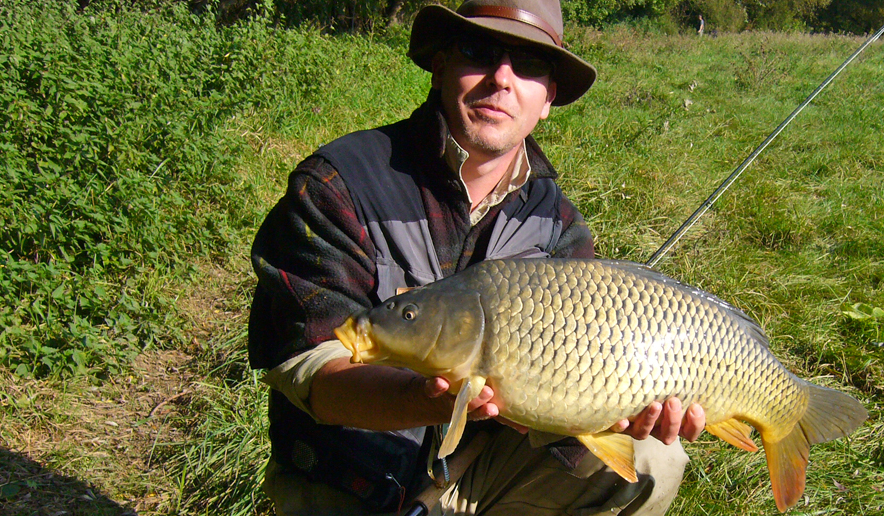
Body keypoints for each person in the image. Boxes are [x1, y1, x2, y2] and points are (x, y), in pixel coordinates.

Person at [247, 0, 706, 514]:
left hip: (477, 465)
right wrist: (425, 399)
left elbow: (565, 420)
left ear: (548, 97)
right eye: (478, 51)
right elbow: (309, 370)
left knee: (653, 459)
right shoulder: (342, 182)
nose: (502, 79)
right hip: (349, 477)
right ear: (441, 64)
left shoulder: (558, 226)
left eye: (530, 64)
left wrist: (609, 412)